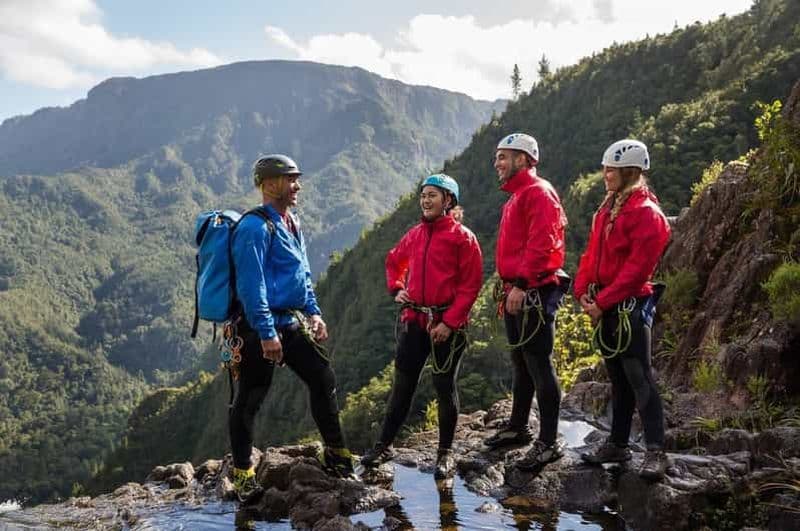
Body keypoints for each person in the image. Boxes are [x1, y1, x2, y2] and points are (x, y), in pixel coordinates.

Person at [228, 154, 356, 501]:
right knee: (251, 397)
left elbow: (302, 274)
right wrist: (267, 332)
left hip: (290, 321)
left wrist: (314, 312)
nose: (297, 185)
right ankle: (242, 475)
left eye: (297, 179)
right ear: (269, 184)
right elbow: (251, 287)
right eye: (290, 179)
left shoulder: (291, 222)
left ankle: (337, 454)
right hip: (257, 328)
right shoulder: (253, 228)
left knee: (322, 377)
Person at [361, 174, 483, 479]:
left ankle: (445, 453)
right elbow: (393, 261)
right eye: (423, 195)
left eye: (432, 195)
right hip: (413, 321)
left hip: (446, 326)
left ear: (449, 201)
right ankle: (384, 445)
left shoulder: (463, 238)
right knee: (402, 387)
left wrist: (450, 322)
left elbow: (470, 286)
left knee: (444, 386)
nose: (426, 200)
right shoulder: (415, 234)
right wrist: (396, 287)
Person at [574, 139, 671, 481]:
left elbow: (636, 272)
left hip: (629, 305)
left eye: (611, 170)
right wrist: (581, 291)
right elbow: (590, 256)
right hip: (608, 304)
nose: (605, 175)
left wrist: (601, 302)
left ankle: (657, 452)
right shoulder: (606, 209)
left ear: (629, 172)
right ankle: (617, 443)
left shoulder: (647, 215)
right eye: (605, 169)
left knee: (639, 377)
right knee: (618, 379)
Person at [483, 133, 568, 472]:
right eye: (497, 157)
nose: (497, 163)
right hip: (518, 291)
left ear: (523, 159)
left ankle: (548, 442)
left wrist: (520, 284)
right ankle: (518, 427)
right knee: (521, 360)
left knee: (539, 362)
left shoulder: (538, 192)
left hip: (531, 290)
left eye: (503, 157)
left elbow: (542, 242)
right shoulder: (519, 195)